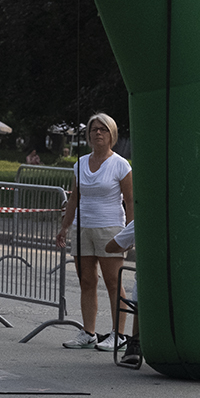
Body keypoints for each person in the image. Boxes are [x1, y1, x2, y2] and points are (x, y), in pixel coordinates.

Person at [56, 112, 134, 351]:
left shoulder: (120, 164)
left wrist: (130, 233)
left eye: (103, 129)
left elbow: (130, 201)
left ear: (112, 134)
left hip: (109, 228)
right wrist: (65, 226)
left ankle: (118, 334)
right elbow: (74, 199)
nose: (98, 133)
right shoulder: (80, 164)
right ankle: (88, 332)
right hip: (83, 228)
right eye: (93, 129)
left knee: (113, 281)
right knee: (87, 280)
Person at [104, 221, 141, 366]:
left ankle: (135, 345)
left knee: (140, 294)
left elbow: (110, 247)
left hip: (150, 286)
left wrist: (130, 243)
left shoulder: (143, 219)